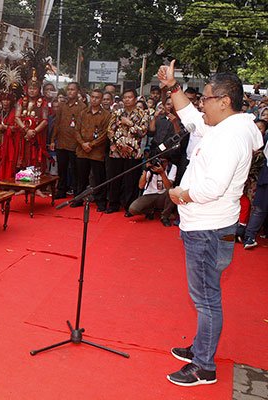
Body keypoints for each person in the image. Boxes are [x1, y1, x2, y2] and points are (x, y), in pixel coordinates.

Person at [157, 60, 263, 386]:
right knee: (205, 295)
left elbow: (213, 187)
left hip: (209, 227)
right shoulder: (225, 127)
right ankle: (200, 349)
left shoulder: (231, 136)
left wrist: (180, 195)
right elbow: (191, 119)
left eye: (205, 98)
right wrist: (173, 87)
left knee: (206, 298)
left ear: (224, 101)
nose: (201, 103)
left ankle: (204, 366)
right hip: (208, 226)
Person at [105, 88, 150, 215]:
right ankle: (113, 204)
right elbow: (110, 131)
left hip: (134, 153)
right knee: (115, 179)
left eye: (130, 97)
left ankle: (129, 207)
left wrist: (129, 123)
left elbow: (142, 132)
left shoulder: (143, 114)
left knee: (131, 181)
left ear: (135, 99)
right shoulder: (117, 112)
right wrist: (120, 145)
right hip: (116, 151)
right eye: (125, 97)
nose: (127, 99)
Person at [72, 89, 110, 210]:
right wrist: (83, 144)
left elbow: (105, 134)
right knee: (80, 177)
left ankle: (100, 202)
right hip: (82, 150)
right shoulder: (83, 113)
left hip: (97, 152)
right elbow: (76, 130)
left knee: (99, 179)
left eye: (97, 97)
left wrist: (91, 144)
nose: (94, 99)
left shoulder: (106, 115)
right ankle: (78, 199)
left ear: (101, 100)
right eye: (92, 97)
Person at [50, 82, 85, 198]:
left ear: (78, 91)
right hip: (61, 142)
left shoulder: (82, 107)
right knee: (62, 169)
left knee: (76, 170)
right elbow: (56, 123)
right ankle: (61, 191)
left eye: (73, 89)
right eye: (68, 89)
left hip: (75, 144)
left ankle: (76, 193)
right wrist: (52, 140)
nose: (70, 92)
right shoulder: (62, 106)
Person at [128, 156, 176, 226]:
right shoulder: (151, 167)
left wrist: (162, 173)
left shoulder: (172, 167)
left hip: (163, 196)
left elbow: (168, 187)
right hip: (149, 195)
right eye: (160, 161)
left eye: (164, 161)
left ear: (168, 162)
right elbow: (140, 186)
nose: (161, 163)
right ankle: (150, 210)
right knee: (133, 209)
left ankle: (165, 216)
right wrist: (145, 170)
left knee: (172, 191)